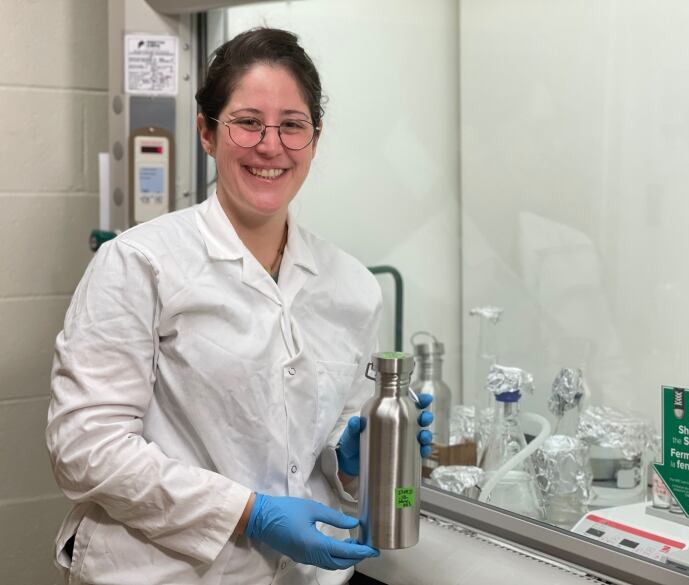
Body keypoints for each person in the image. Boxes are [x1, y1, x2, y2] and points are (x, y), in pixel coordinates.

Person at [45, 27, 433, 585]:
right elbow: (85, 449)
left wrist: (352, 463)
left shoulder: (352, 286)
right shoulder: (139, 263)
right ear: (207, 132)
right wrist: (252, 513)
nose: (270, 145)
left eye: (292, 126)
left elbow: (320, 448)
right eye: (248, 122)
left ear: (315, 139)